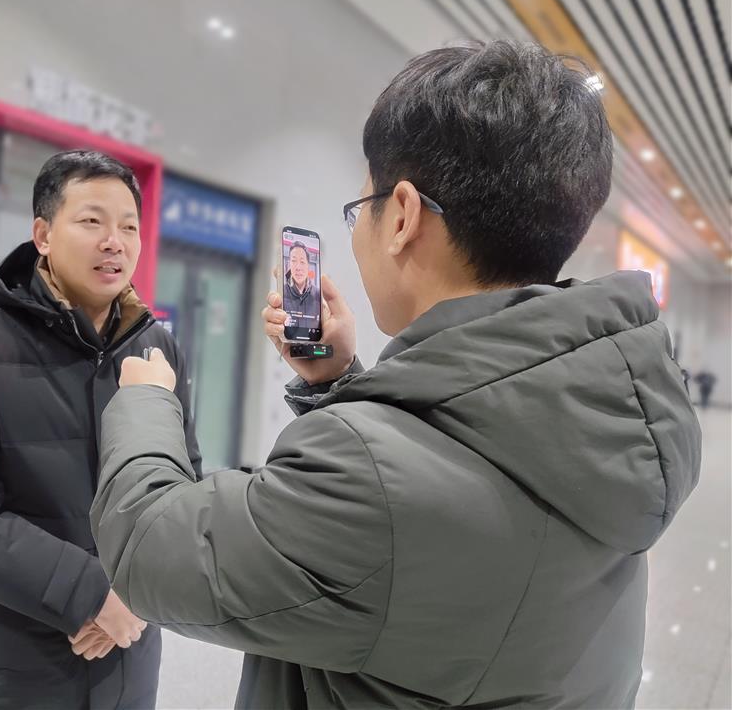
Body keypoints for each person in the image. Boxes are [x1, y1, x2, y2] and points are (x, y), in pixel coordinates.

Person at [88, 41, 702, 709]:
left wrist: (147, 402)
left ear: (403, 215)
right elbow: (431, 532)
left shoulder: (367, 482)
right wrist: (338, 385)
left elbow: (151, 547)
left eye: (362, 209)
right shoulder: (613, 407)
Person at [0, 150, 201, 709]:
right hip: (6, 660)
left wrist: (136, 598)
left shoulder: (159, 348)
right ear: (42, 234)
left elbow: (183, 485)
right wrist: (92, 594)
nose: (114, 241)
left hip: (127, 651)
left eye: (129, 226)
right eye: (92, 221)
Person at [282, 241, 320, 326]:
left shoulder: (318, 295)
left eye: (302, 262)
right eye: (294, 261)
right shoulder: (282, 293)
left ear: (308, 265)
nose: (298, 267)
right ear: (289, 264)